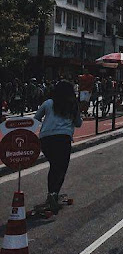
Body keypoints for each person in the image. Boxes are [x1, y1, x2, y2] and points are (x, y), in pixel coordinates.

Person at [35, 80, 83, 212]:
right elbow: (78, 123)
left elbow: (36, 118)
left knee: (54, 166)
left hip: (46, 138)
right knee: (61, 168)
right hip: (63, 138)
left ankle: (51, 193)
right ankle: (53, 194)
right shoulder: (72, 104)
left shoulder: (48, 103)